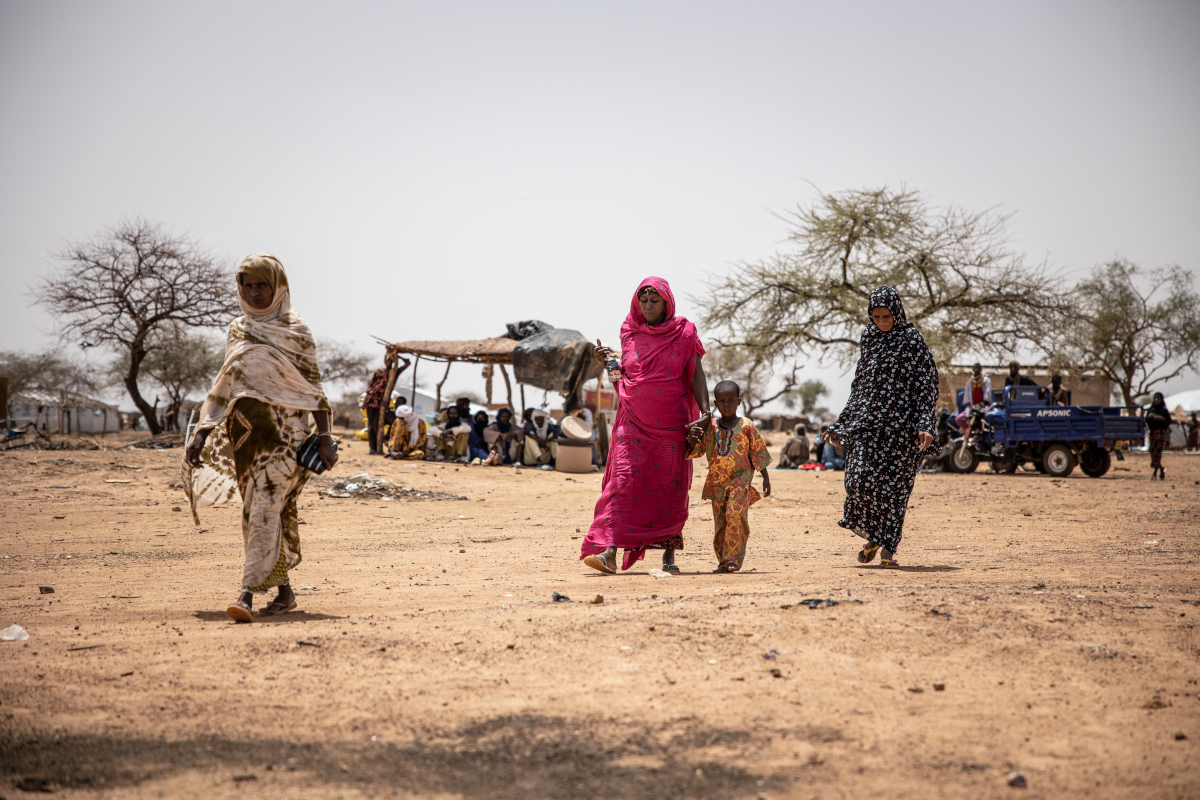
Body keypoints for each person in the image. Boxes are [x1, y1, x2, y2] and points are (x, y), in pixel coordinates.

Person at [183, 253, 337, 622]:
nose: (254, 292)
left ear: (278, 286)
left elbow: (313, 389)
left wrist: (326, 436)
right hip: (245, 438)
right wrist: (202, 433)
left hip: (286, 438)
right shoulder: (238, 329)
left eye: (261, 285)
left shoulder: (296, 330)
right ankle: (284, 593)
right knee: (260, 513)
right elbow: (226, 385)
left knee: (266, 507)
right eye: (247, 285)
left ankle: (247, 592)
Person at [581, 277, 708, 574]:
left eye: (655, 301)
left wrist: (706, 411)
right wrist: (607, 362)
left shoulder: (684, 332)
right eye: (644, 300)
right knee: (621, 484)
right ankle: (609, 551)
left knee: (669, 487)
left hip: (671, 425)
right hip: (632, 423)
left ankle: (668, 555)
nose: (648, 306)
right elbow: (625, 374)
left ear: (667, 303)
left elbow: (695, 374)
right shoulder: (628, 332)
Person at [825, 286, 938, 570]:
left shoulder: (911, 339)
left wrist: (924, 424)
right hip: (868, 422)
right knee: (857, 481)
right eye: (875, 316)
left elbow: (927, 384)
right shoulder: (869, 336)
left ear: (896, 312)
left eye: (885, 316)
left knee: (895, 491)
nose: (880, 321)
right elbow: (860, 382)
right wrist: (843, 421)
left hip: (903, 427)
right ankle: (875, 536)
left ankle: (887, 549)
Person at [686, 380, 771, 573]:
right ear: (715, 403)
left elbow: (757, 452)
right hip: (717, 483)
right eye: (722, 401)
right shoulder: (711, 427)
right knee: (721, 522)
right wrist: (691, 438)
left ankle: (734, 559)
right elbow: (696, 450)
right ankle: (723, 561)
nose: (726, 405)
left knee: (735, 514)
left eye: (731, 400)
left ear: (739, 402)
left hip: (740, 480)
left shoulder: (746, 426)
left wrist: (765, 477)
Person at [363, 353, 410, 455]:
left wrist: (398, 356)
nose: (388, 361)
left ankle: (380, 445)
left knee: (377, 425)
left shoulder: (394, 372)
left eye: (391, 359)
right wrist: (365, 400)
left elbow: (407, 363)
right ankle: (372, 448)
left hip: (382, 403)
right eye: (387, 359)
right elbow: (370, 387)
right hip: (372, 401)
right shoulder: (379, 371)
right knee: (371, 426)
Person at [955, 363, 992, 430]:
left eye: (978, 368)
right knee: (958, 419)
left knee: (987, 418)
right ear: (973, 369)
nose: (977, 369)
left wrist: (980, 406)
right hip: (972, 407)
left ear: (981, 369)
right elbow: (967, 397)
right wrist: (971, 408)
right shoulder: (970, 382)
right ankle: (969, 432)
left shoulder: (986, 380)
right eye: (975, 368)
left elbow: (987, 395)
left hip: (983, 407)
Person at [1145, 392, 1172, 480]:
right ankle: (1162, 469)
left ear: (1161, 399)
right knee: (1153, 453)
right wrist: (1149, 417)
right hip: (1152, 433)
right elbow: (1146, 421)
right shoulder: (1151, 409)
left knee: (1158, 453)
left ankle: (1154, 473)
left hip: (1160, 434)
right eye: (1155, 398)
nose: (1156, 400)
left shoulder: (1164, 411)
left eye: (1158, 398)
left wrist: (1161, 418)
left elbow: (1169, 421)